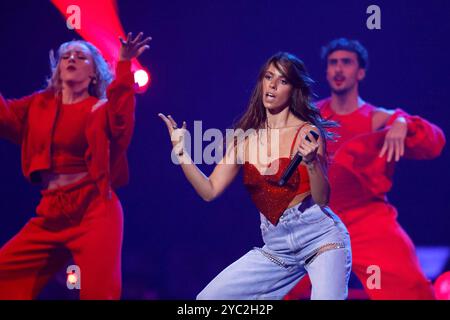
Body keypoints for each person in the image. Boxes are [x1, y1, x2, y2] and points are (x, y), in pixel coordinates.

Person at [159, 52, 352, 300]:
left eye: (282, 81)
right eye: (268, 77)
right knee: (207, 300)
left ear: (293, 89)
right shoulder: (245, 139)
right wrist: (181, 152)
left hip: (320, 239)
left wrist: (312, 163)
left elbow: (323, 199)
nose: (272, 85)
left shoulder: (307, 132)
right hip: (277, 247)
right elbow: (210, 190)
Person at [285, 38, 445, 300]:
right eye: (333, 63)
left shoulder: (380, 118)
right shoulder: (312, 116)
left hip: (367, 219)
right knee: (275, 285)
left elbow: (435, 142)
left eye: (346, 63)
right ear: (326, 72)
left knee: (412, 289)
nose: (339, 69)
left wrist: (403, 122)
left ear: (360, 72)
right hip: (318, 217)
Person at [0, 32, 151, 299]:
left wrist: (125, 64)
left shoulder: (100, 108)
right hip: (50, 212)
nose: (71, 59)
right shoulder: (38, 104)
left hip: (94, 210)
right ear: (58, 69)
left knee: (99, 293)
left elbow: (122, 124)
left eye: (81, 57)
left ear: (94, 74)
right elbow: (4, 117)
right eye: (65, 56)